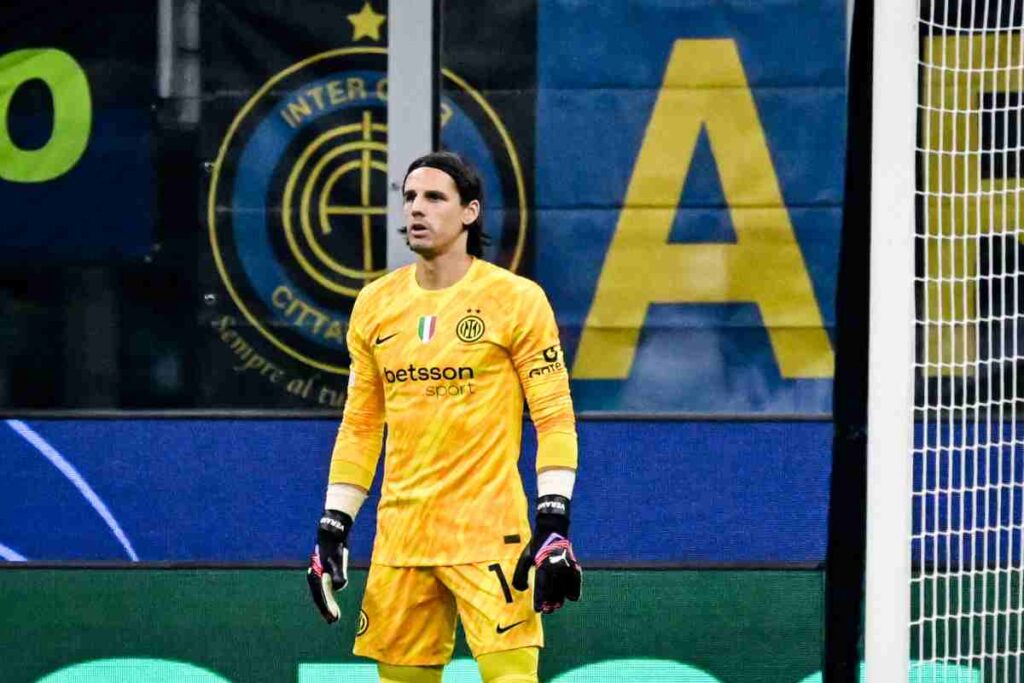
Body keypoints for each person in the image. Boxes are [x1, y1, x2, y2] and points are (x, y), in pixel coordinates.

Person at [306, 151, 582, 683]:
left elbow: (554, 418)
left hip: (490, 536)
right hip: (401, 540)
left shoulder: (517, 301)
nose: (417, 208)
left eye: (434, 197)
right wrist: (333, 526)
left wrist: (553, 525)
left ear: (470, 212)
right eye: (409, 197)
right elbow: (361, 426)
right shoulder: (374, 305)